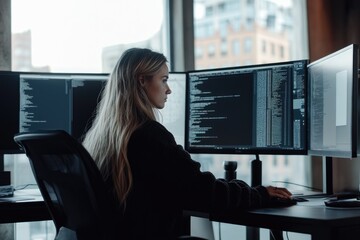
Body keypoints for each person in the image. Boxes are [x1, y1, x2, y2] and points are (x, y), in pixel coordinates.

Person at [82, 48, 292, 239]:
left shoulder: (101, 137)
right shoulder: (149, 136)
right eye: (163, 80)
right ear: (142, 81)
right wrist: (260, 193)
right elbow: (204, 192)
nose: (168, 90)